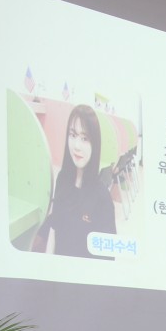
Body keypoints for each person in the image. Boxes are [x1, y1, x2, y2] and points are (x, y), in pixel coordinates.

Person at [37, 104, 116, 258]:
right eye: (72, 135)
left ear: (95, 144)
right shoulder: (62, 178)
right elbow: (54, 226)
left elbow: (107, 258)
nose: (76, 146)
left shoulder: (102, 198)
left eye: (85, 138)